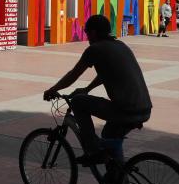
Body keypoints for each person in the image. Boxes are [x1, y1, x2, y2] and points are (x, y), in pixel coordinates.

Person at [43, 14, 152, 170]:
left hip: (126, 110)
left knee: (78, 102)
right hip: (144, 108)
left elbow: (74, 74)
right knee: (109, 135)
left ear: (93, 33)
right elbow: (105, 74)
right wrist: (87, 89)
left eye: (87, 32)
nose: (87, 37)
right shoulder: (120, 45)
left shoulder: (95, 49)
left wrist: (53, 90)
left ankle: (92, 150)